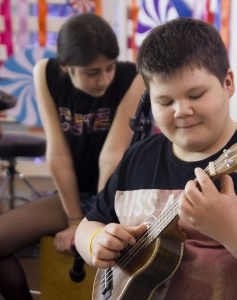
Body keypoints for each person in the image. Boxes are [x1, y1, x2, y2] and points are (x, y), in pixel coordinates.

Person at [75, 18, 237, 299]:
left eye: (196, 94)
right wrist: (97, 241)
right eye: (165, 102)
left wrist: (234, 231)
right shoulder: (137, 158)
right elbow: (88, 225)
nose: (181, 110)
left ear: (228, 83)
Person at [0, 12, 145, 300]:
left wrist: (92, 222)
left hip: (115, 195)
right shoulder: (46, 73)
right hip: (72, 193)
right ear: (66, 67)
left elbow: (112, 155)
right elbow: (58, 151)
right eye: (92, 72)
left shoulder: (133, 77)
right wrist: (74, 219)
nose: (104, 78)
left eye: (109, 67)